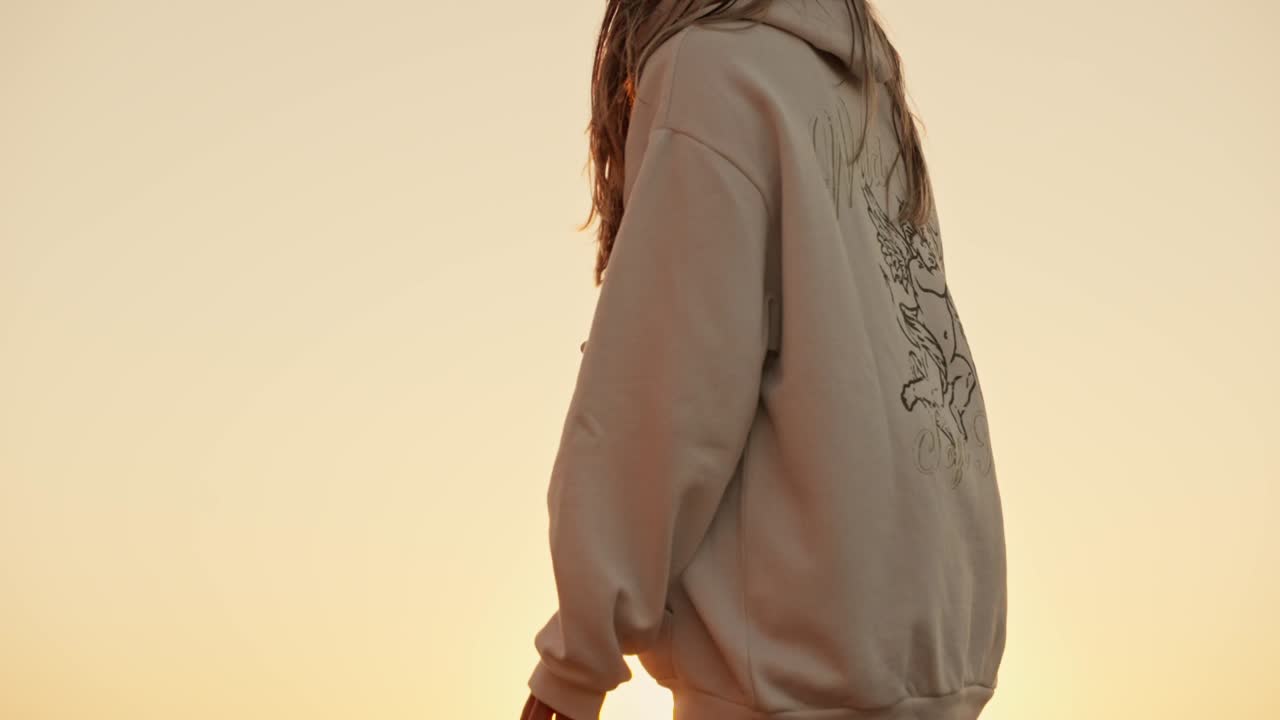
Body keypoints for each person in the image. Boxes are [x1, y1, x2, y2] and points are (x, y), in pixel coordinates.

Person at [521, 1, 1008, 718]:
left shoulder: (710, 71)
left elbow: (664, 386)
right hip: (932, 675)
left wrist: (572, 668)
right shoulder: (869, 98)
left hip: (783, 685)